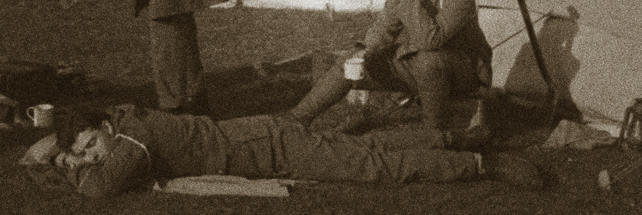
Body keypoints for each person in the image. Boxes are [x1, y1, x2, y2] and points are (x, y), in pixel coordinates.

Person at [35, 104, 542, 197]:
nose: (92, 155)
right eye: (82, 152)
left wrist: (68, 168)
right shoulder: (124, 120)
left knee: (372, 166)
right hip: (260, 137)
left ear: (104, 127)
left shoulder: (131, 141)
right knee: (360, 148)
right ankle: (456, 139)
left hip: (268, 148)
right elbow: (95, 163)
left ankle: (481, 163)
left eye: (89, 145)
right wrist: (72, 152)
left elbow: (99, 190)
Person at [291, 0, 493, 134]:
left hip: (462, 74)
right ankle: (295, 120)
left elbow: (431, 41)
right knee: (352, 58)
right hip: (418, 65)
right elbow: (386, 28)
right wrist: (364, 52)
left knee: (428, 60)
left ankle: (435, 136)